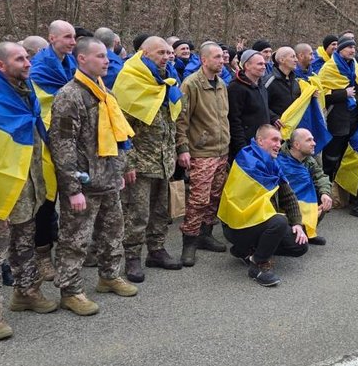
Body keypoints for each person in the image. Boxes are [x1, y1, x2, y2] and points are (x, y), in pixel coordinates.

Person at [0, 42, 58, 340]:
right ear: (1, 65)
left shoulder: (26, 90)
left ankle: (27, 292)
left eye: (28, 57)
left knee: (24, 245)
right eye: (20, 59)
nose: (28, 63)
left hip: (27, 185)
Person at [50, 37, 138, 315]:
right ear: (82, 59)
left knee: (113, 232)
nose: (107, 61)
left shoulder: (104, 92)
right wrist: (72, 187)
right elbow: (62, 145)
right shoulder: (69, 95)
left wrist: (120, 170)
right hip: (84, 183)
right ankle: (70, 290)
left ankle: (109, 276)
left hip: (108, 179)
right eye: (100, 56)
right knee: (75, 239)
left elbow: (118, 136)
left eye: (107, 56)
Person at [114, 36, 184, 282]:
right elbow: (120, 129)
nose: (167, 57)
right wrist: (128, 163)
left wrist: (177, 151)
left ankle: (156, 250)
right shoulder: (130, 81)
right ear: (144, 53)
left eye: (168, 52)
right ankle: (132, 256)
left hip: (164, 161)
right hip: (140, 164)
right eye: (160, 53)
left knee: (161, 211)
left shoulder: (166, 82)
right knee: (137, 213)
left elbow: (173, 123)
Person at [218, 125, 308, 287]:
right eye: (274, 140)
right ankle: (258, 264)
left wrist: (297, 224)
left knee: (299, 245)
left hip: (261, 220)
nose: (278, 145)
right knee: (278, 222)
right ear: (260, 141)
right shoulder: (246, 160)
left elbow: (288, 196)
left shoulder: (273, 164)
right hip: (236, 225)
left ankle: (246, 251)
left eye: (280, 141)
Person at [30, 20, 78, 282]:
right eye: (67, 37)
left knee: (72, 196)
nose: (72, 41)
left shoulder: (71, 66)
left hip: (69, 140)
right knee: (46, 203)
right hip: (45, 141)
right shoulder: (39, 70)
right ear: (52, 38)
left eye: (73, 37)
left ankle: (67, 251)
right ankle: (42, 255)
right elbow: (41, 105)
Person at [176, 42, 231, 266]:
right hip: (202, 151)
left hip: (221, 150)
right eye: (217, 57)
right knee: (198, 198)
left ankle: (205, 234)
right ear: (204, 60)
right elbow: (182, 119)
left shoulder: (221, 85)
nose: (222, 60)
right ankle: (189, 241)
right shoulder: (191, 84)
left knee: (215, 196)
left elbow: (223, 117)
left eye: (222, 57)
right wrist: (183, 148)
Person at [277, 128, 334, 245]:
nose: (314, 143)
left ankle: (308, 232)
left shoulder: (309, 160)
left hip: (303, 201)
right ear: (297, 145)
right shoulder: (280, 161)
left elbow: (320, 176)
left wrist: (325, 193)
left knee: (323, 198)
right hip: (286, 204)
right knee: (296, 246)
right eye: (309, 140)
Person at [318, 36, 358, 180]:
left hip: (352, 114)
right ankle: (327, 180)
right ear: (340, 49)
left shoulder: (354, 64)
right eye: (349, 47)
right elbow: (322, 93)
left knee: (346, 150)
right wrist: (344, 93)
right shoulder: (329, 67)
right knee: (332, 151)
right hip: (336, 116)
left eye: (354, 47)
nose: (352, 50)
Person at [227, 49, 274, 158]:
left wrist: (274, 118)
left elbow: (263, 108)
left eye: (264, 63)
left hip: (262, 143)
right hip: (246, 146)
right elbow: (234, 120)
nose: (264, 66)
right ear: (247, 65)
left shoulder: (261, 86)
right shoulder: (236, 88)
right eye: (259, 64)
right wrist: (242, 148)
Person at [265, 46, 301, 119]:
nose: (296, 60)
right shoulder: (269, 81)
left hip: (293, 125)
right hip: (275, 126)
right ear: (282, 60)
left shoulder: (296, 82)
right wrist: (274, 118)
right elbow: (261, 104)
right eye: (293, 57)